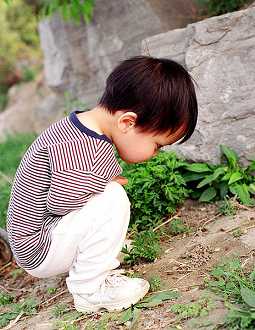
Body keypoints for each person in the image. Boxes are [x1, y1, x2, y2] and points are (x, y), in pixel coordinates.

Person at [7, 56, 198, 312]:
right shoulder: (81, 147)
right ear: (127, 122)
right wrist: (99, 183)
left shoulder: (83, 127)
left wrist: (98, 182)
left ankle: (95, 254)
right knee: (112, 200)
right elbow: (61, 202)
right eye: (157, 145)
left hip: (41, 235)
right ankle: (90, 289)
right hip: (38, 246)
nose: (156, 153)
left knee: (108, 195)